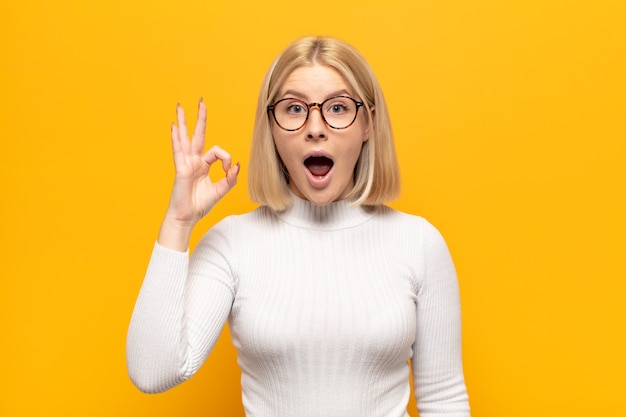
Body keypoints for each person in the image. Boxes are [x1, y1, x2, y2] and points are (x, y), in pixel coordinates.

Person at [126, 36, 471, 417]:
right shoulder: (231, 244)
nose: (315, 128)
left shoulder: (418, 243)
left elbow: (444, 400)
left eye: (338, 107)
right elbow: (152, 372)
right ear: (271, 127)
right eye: (294, 109)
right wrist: (178, 222)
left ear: (369, 124)